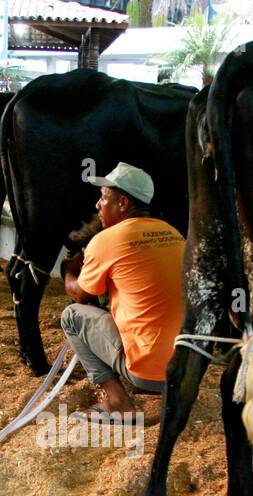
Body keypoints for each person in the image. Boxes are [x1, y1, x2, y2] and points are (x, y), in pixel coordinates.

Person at [60, 162, 185, 420]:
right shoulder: (173, 233)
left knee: (72, 316)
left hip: (149, 375)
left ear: (123, 203)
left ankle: (118, 402)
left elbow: (80, 295)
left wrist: (70, 270)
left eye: (104, 198)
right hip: (185, 371)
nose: (98, 205)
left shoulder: (106, 240)